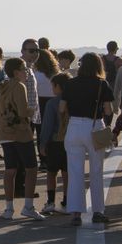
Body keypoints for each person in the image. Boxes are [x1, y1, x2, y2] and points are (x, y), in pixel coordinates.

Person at [62, 52, 115, 227]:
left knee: (75, 171)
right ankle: (97, 211)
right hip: (94, 126)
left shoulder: (70, 83)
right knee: (96, 170)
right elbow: (108, 111)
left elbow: (62, 108)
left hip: (74, 126)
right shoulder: (101, 84)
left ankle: (76, 212)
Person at [0, 57, 44, 221]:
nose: (26, 72)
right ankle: (28, 206)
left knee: (10, 170)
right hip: (21, 133)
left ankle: (9, 208)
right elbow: (23, 112)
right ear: (16, 72)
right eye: (23, 69)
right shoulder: (19, 86)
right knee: (31, 168)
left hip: (5, 134)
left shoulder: (2, 86)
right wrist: (33, 111)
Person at [39, 73, 69, 214]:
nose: (52, 89)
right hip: (69, 142)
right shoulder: (73, 101)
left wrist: (42, 143)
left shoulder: (52, 103)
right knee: (67, 173)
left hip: (55, 142)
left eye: (53, 86)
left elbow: (47, 126)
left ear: (57, 86)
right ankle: (67, 201)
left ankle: (51, 201)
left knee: (51, 173)